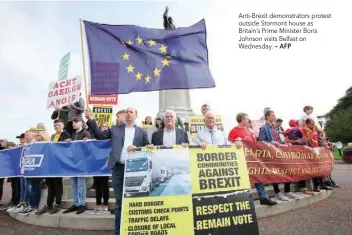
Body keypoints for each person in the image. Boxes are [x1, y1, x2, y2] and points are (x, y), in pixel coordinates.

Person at [86, 107, 150, 235]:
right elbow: (99, 135)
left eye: (131, 112)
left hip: (135, 170)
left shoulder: (142, 132)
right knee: (119, 202)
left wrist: (137, 149)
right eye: (127, 112)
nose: (128, 113)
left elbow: (147, 150)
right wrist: (91, 119)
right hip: (118, 169)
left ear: (136, 116)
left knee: (134, 201)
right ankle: (118, 232)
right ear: (124, 116)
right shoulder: (115, 129)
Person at [228, 113, 277, 206]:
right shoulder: (233, 131)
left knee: (258, 176)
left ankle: (263, 198)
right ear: (242, 120)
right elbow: (229, 145)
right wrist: (236, 142)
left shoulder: (248, 130)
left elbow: (254, 143)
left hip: (252, 158)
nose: (248, 121)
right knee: (244, 180)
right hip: (241, 160)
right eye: (247, 119)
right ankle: (243, 201)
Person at [259, 110, 300, 200]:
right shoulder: (263, 128)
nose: (274, 117)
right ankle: (277, 192)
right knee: (274, 174)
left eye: (274, 115)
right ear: (267, 117)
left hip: (280, 153)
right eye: (272, 115)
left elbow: (279, 140)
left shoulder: (275, 128)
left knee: (288, 170)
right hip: (271, 155)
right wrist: (271, 142)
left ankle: (287, 191)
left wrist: (285, 144)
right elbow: (261, 142)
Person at [36, 120, 70, 215]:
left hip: (59, 163)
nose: (57, 126)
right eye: (55, 125)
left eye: (59, 125)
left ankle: (57, 203)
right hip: (51, 162)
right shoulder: (53, 136)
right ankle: (49, 204)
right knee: (50, 184)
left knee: (57, 184)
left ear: (62, 125)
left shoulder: (66, 134)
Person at [63, 117, 91, 215]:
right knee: (74, 184)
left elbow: (89, 148)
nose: (73, 124)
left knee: (81, 184)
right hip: (73, 162)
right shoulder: (74, 134)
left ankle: (82, 204)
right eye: (73, 122)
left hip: (81, 162)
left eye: (76, 122)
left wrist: (87, 142)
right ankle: (75, 204)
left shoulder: (86, 133)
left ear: (82, 123)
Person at [302, 118, 333, 192]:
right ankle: (316, 185)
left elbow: (316, 141)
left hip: (316, 152)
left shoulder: (314, 131)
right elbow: (305, 141)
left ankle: (321, 184)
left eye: (314, 124)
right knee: (315, 169)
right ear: (307, 124)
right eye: (312, 124)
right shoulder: (304, 130)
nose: (313, 125)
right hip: (309, 152)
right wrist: (312, 134)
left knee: (320, 168)